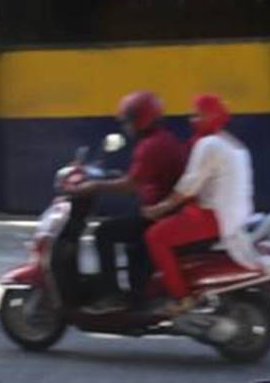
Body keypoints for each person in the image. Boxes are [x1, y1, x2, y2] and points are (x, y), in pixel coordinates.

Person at [142, 94, 257, 315]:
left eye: (197, 115)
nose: (191, 119)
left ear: (210, 116)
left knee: (155, 236)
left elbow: (188, 187)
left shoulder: (209, 144)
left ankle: (181, 297)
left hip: (214, 217)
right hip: (237, 215)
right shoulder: (232, 143)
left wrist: (159, 208)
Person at [73, 91, 187, 313]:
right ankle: (134, 292)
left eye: (127, 121)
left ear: (139, 119)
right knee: (124, 226)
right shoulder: (161, 139)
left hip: (158, 215)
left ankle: (113, 295)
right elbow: (142, 176)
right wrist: (111, 177)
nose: (125, 127)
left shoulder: (150, 145)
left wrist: (95, 186)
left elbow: (131, 185)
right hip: (163, 210)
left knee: (103, 232)